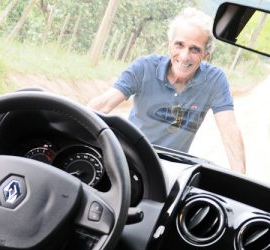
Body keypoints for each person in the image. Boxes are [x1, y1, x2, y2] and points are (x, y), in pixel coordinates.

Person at [88, 8, 246, 174]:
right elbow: (104, 104)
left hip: (171, 168)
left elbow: (229, 131)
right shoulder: (144, 67)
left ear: (206, 54)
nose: (184, 56)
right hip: (130, 157)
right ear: (170, 44)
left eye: (195, 49)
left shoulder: (215, 80)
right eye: (179, 45)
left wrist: (240, 178)